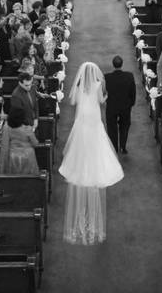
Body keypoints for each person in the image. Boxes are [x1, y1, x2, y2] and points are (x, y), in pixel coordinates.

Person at [59, 62, 125, 245]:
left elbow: (73, 101)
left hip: (83, 118)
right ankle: (94, 162)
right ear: (93, 73)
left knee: (81, 141)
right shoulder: (97, 85)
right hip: (93, 117)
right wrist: (106, 95)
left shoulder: (79, 86)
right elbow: (101, 101)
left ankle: (82, 161)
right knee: (98, 139)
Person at [104, 55, 136, 154]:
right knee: (125, 126)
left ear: (113, 65)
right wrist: (131, 103)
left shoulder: (107, 77)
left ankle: (114, 147)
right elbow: (133, 92)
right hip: (125, 106)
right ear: (122, 64)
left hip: (111, 107)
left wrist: (107, 102)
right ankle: (123, 146)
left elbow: (104, 92)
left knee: (111, 127)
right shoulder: (129, 76)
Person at [0, 108, 40, 174]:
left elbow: (5, 145)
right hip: (28, 156)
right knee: (29, 179)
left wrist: (3, 167)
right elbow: (35, 143)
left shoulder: (7, 127)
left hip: (13, 156)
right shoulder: (27, 129)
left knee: (15, 180)